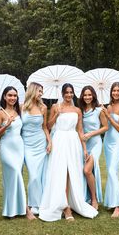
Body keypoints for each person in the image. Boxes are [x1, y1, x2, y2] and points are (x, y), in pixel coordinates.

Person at [39, 83, 98, 222]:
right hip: (59, 140)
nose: (69, 95)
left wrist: (84, 149)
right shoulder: (55, 107)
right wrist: (56, 115)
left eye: (71, 92)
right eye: (66, 92)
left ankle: (71, 203)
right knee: (62, 172)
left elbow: (80, 130)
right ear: (62, 93)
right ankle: (65, 208)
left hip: (73, 142)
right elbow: (47, 126)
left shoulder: (77, 110)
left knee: (72, 173)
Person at [0, 86, 26, 218]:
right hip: (6, 147)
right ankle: (11, 209)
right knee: (13, 173)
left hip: (19, 146)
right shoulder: (0, 113)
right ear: (4, 97)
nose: (12, 98)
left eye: (15, 96)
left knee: (17, 175)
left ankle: (18, 209)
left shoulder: (20, 110)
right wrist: (6, 125)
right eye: (10, 95)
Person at [21, 82, 51, 220]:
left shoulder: (43, 107)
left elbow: (45, 127)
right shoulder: (22, 107)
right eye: (39, 91)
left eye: (42, 92)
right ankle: (33, 204)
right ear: (32, 91)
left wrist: (49, 142)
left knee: (41, 175)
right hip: (27, 144)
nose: (41, 94)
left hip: (40, 143)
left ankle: (40, 203)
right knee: (33, 175)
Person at [78, 86, 108, 210]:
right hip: (84, 144)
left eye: (89, 95)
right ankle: (86, 197)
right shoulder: (80, 111)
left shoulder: (99, 110)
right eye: (85, 95)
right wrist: (84, 147)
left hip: (95, 143)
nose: (87, 97)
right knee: (83, 171)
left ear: (93, 95)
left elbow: (105, 127)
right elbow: (80, 130)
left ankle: (94, 200)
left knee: (87, 170)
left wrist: (91, 134)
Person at [102, 82, 119, 218]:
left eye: (118, 91)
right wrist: (101, 113)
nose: (116, 93)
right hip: (107, 140)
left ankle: (118, 206)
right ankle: (111, 202)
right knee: (111, 171)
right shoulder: (108, 106)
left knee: (113, 170)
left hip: (118, 141)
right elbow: (106, 126)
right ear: (111, 92)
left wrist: (108, 116)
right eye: (114, 91)